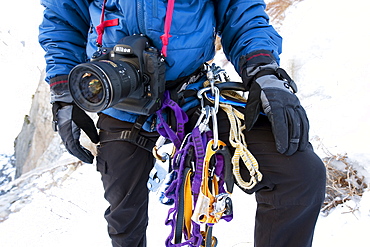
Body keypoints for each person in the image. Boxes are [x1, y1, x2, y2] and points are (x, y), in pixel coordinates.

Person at [39, 0, 326, 246]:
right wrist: (64, 91)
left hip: (194, 95)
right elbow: (63, 19)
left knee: (298, 175)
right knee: (124, 218)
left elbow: (239, 11)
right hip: (117, 98)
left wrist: (263, 71)